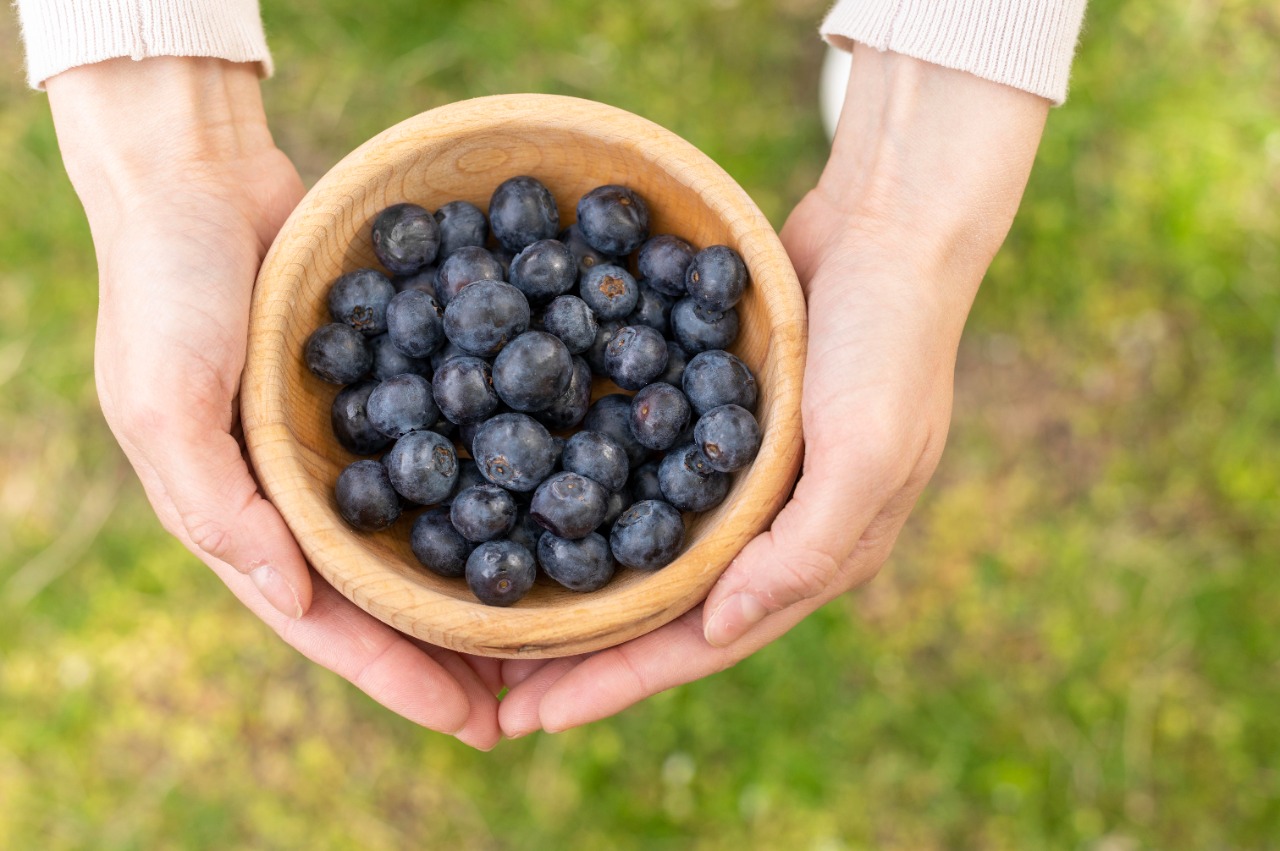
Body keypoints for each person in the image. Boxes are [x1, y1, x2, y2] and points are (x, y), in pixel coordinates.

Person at [15, 1, 1088, 750]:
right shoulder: (458, 407)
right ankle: (903, 72)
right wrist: (166, 155)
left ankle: (909, 62)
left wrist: (918, 184)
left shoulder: (570, 358)